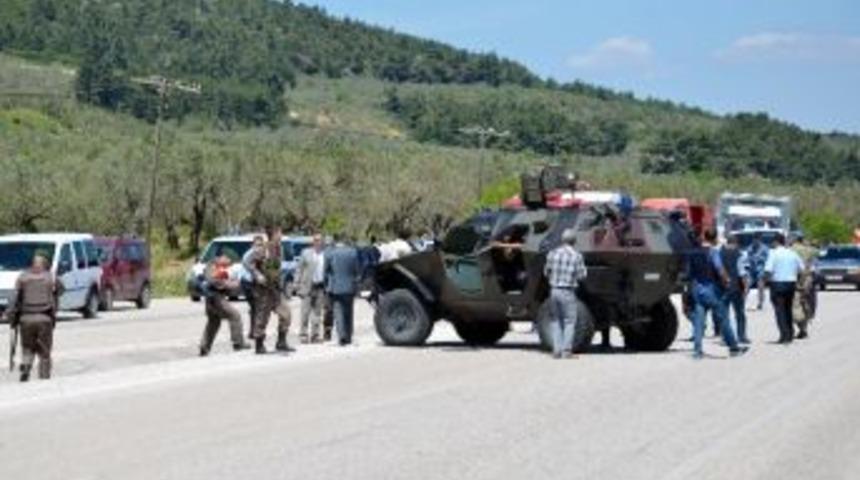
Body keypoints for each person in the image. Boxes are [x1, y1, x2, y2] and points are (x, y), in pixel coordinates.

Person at [686, 230, 747, 359]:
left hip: (697, 289)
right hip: (710, 289)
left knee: (699, 321)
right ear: (714, 239)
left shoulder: (692, 253)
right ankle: (734, 348)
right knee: (723, 318)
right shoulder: (713, 252)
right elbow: (720, 269)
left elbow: (689, 274)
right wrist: (727, 281)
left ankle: (697, 351)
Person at [4, 254, 61, 381]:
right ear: (45, 265)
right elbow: (61, 290)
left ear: (32, 264)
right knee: (44, 352)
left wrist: (12, 318)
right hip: (44, 318)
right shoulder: (50, 276)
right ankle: (44, 377)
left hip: (26, 319)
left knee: (27, 348)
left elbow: (14, 299)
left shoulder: (23, 277)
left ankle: (25, 368)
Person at [247, 226, 293, 354]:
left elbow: (277, 268)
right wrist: (258, 275)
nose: (281, 235)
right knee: (262, 317)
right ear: (273, 235)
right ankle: (259, 344)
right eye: (279, 233)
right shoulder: (264, 249)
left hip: (276, 289)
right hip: (263, 290)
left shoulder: (280, 248)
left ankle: (281, 342)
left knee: (286, 314)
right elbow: (248, 262)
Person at [543, 228, 587, 359]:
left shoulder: (552, 253)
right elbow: (582, 275)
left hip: (554, 290)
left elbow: (546, 272)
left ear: (562, 240)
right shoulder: (577, 256)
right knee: (569, 321)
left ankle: (557, 351)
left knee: (555, 320)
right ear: (574, 241)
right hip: (568, 291)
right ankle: (566, 351)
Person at [199, 255, 250, 356]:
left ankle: (204, 347)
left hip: (213, 299)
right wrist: (228, 284)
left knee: (213, 322)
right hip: (215, 299)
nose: (228, 263)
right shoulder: (212, 266)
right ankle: (238, 343)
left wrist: (230, 285)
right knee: (235, 316)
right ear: (221, 257)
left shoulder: (217, 267)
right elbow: (213, 281)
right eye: (228, 260)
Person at [763, 234, 805, 344]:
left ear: (776, 242)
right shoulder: (792, 253)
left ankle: (784, 335)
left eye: (773, 242)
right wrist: (797, 279)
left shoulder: (773, 253)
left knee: (780, 311)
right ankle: (790, 334)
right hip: (791, 284)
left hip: (777, 284)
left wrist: (766, 281)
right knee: (788, 309)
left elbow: (768, 270)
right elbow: (802, 268)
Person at [324, 234, 361, 346]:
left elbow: (326, 270)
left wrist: (327, 285)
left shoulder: (331, 253)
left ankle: (342, 336)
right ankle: (349, 335)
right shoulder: (352, 252)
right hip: (349, 287)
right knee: (349, 312)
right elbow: (357, 271)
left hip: (336, 287)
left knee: (338, 311)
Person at [295, 233, 326, 344]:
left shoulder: (325, 254)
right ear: (313, 242)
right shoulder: (306, 253)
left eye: (320, 240)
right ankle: (303, 335)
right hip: (307, 286)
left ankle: (315, 335)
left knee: (317, 313)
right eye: (316, 240)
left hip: (320, 286)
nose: (318, 242)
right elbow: (299, 269)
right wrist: (296, 284)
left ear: (323, 242)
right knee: (305, 312)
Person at [720, 235, 750, 344]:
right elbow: (742, 272)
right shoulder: (740, 254)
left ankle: (726, 337)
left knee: (724, 314)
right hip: (736, 287)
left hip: (722, 287)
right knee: (740, 313)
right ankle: (741, 336)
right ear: (736, 243)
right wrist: (746, 287)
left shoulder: (719, 254)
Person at [790, 236, 818, 340]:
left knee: (794, 305)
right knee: (806, 303)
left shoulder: (790, 250)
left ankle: (798, 328)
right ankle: (804, 328)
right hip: (808, 280)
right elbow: (816, 260)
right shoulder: (810, 250)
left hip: (795, 279)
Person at [240, 235, 265, 339]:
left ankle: (253, 331)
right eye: (257, 245)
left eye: (260, 245)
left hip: (254, 283)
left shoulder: (260, 254)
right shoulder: (249, 254)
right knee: (256, 307)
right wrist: (257, 274)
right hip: (248, 283)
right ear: (252, 245)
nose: (259, 247)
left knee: (255, 308)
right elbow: (247, 264)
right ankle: (254, 332)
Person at [747, 234, 770, 310]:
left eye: (757, 240)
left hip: (761, 269)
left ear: (760, 240)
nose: (755, 241)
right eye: (754, 240)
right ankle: (743, 302)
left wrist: (760, 259)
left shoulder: (764, 248)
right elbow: (748, 257)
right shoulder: (750, 248)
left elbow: (768, 259)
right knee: (747, 284)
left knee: (760, 285)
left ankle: (760, 302)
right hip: (752, 269)